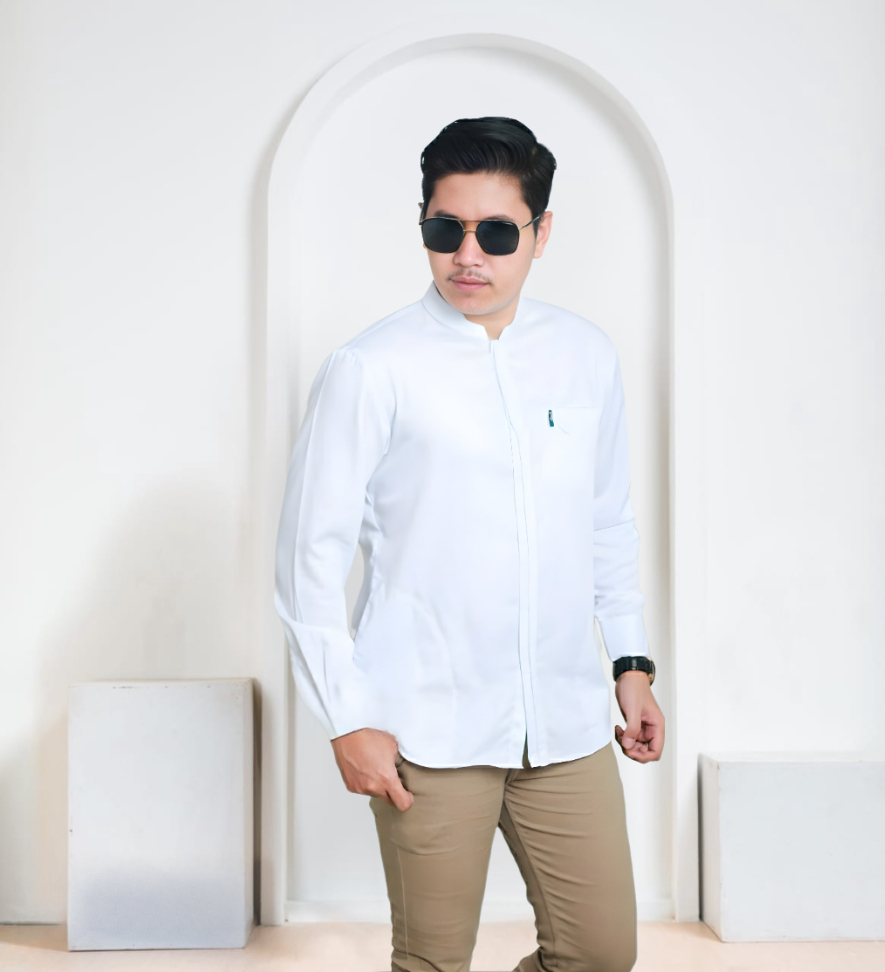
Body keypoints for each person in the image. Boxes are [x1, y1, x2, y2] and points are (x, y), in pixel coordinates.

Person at [274, 116, 665, 972]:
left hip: (564, 723)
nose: (467, 256)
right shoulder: (370, 368)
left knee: (600, 954)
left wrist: (631, 664)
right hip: (429, 728)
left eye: (496, 233)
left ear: (541, 232)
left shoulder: (585, 356)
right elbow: (308, 560)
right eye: (444, 230)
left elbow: (607, 521)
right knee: (433, 962)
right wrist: (347, 717)